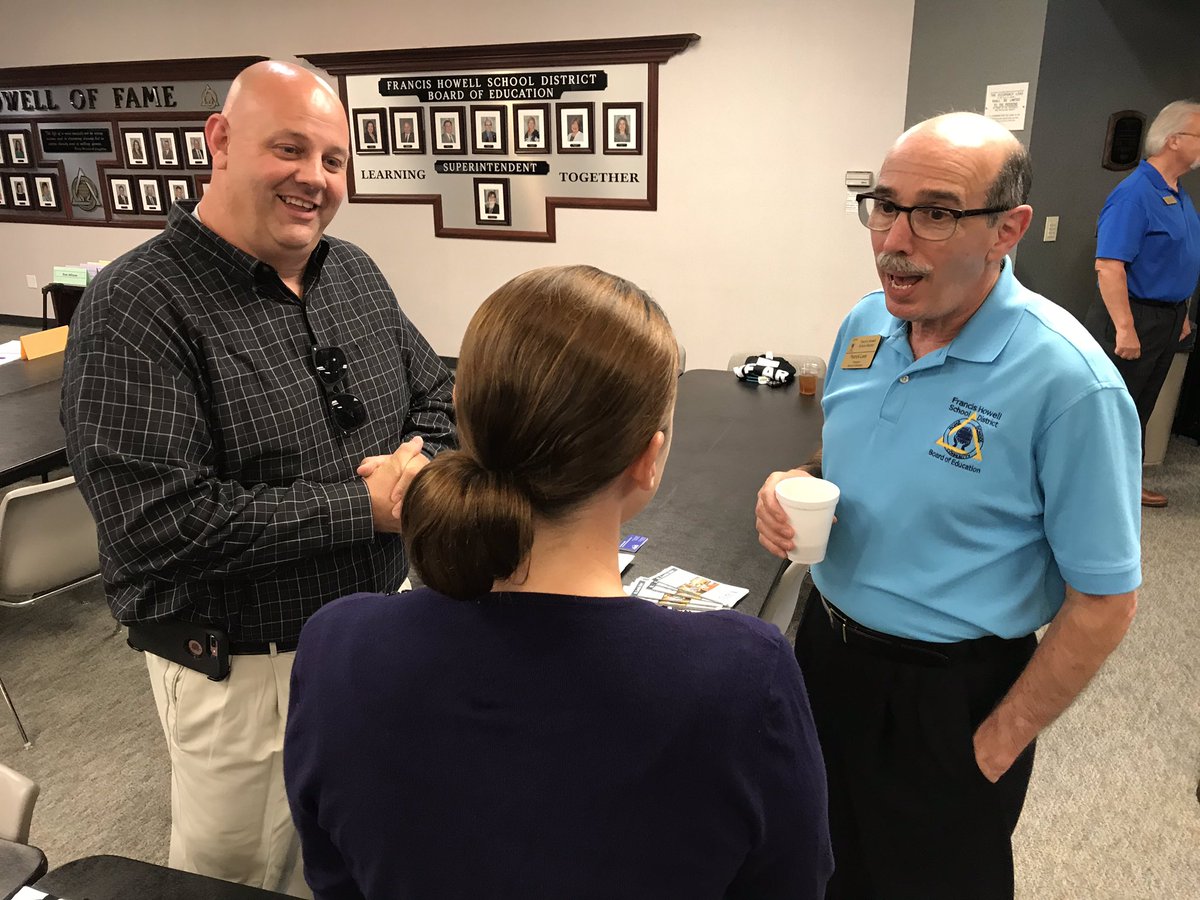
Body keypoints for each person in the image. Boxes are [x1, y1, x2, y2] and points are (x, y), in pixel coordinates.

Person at [285, 265, 833, 899]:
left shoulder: (337, 646)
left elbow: (333, 876)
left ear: (465, 419)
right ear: (648, 460)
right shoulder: (745, 679)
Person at [61, 60, 454, 895]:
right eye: (290, 149)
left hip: (378, 635)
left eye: (335, 160)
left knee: (362, 857)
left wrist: (417, 465)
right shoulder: (138, 306)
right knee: (243, 878)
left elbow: (439, 397)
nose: (315, 178)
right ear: (221, 142)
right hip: (244, 676)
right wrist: (366, 508)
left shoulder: (351, 271)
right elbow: (156, 524)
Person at [755, 112, 1141, 900]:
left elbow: (1105, 600)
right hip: (824, 655)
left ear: (1009, 228)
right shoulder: (867, 324)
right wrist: (787, 481)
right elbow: (849, 455)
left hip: (949, 696)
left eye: (934, 213)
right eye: (883, 205)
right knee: (815, 864)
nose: (894, 239)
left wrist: (998, 740)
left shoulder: (1070, 384)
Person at [1087, 99, 1200, 507]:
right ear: (1173, 140)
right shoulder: (1135, 194)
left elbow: (1177, 258)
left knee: (1140, 407)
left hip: (1167, 318)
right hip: (1134, 316)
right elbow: (1110, 266)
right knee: (1117, 407)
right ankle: (1096, 490)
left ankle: (1122, 485)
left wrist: (1182, 315)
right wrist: (1125, 327)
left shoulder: (1177, 193)